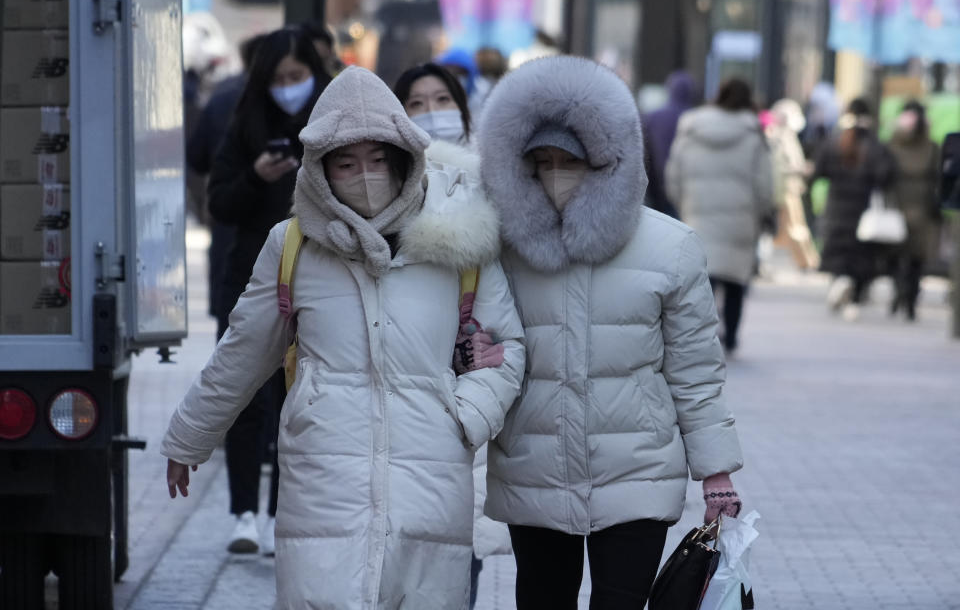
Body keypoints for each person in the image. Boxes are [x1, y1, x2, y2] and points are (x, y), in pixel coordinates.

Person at [164, 66, 525, 608]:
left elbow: (502, 348)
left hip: (430, 483)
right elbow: (243, 350)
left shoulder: (459, 241)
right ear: (320, 168)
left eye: (379, 159)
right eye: (347, 163)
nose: (366, 176)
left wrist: (462, 418)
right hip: (322, 480)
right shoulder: (292, 247)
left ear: (405, 158)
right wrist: (190, 436)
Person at [478, 55, 744, 609]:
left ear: (606, 161)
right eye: (541, 162)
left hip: (638, 471)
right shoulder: (497, 247)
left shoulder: (670, 247)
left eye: (569, 161)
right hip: (535, 466)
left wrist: (715, 473)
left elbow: (695, 371)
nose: (555, 175)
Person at [205, 27, 331, 555]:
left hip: (316, 280)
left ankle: (285, 514)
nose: (288, 87)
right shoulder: (244, 124)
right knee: (246, 399)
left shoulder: (332, 125)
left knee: (296, 403)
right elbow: (220, 203)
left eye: (297, 77)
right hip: (251, 278)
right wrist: (258, 176)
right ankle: (243, 514)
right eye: (278, 78)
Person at [393, 62, 511, 610]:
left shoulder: (497, 185)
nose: (431, 113)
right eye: (416, 103)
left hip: (473, 386)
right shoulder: (382, 187)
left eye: (442, 100)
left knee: (460, 542)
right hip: (406, 382)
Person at [666, 78, 775, 353]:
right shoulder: (753, 133)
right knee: (736, 279)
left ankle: (702, 334)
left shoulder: (692, 127)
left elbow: (674, 174)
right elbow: (765, 184)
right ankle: (732, 335)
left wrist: (684, 204)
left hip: (698, 213)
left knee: (703, 277)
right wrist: (760, 212)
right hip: (740, 217)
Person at [186, 32, 265, 321]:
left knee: (230, 319)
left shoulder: (222, 99)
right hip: (276, 230)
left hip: (227, 225)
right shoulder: (289, 107)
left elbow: (196, 157)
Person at [810, 98, 897, 321]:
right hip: (864, 209)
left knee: (839, 254)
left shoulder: (834, 141)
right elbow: (885, 176)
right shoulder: (875, 145)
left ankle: (840, 282)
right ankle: (854, 297)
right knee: (861, 256)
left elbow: (819, 170)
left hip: (837, 208)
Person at [886, 100, 941, 320]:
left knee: (898, 256)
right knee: (916, 258)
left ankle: (901, 292)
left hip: (898, 206)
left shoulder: (893, 144)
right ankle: (909, 297)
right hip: (921, 208)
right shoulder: (931, 147)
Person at [765, 98, 821, 271]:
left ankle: (808, 260)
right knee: (793, 228)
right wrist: (798, 170)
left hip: (789, 189)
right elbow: (780, 166)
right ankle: (807, 261)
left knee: (792, 227)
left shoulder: (785, 136)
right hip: (785, 190)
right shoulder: (777, 138)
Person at [641, 70, 697, 217]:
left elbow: (646, 154)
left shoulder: (653, 117)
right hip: (689, 191)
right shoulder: (696, 119)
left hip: (658, 188)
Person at [394, 63, 471, 145]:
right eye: (417, 103)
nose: (432, 110)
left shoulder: (483, 155)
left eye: (442, 98)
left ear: (461, 105)